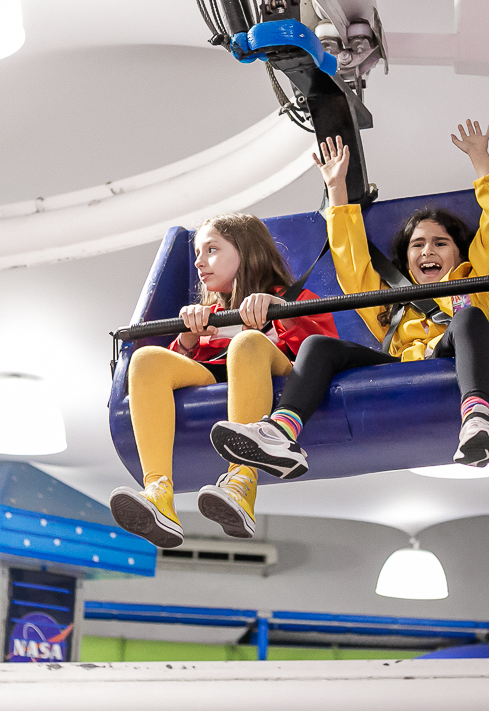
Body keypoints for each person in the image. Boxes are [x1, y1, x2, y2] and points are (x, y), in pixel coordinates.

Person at [210, 120, 489, 478]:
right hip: (400, 365)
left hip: (452, 354)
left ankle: (477, 420)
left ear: (459, 253)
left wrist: (481, 158)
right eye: (418, 245)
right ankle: (281, 432)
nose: (427, 251)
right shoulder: (392, 304)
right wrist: (336, 187)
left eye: (440, 243)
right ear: (407, 260)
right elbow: (351, 263)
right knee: (319, 346)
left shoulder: (474, 281)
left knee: (469, 318)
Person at [109, 213, 338, 548]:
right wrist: (187, 339)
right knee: (145, 360)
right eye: (198, 254)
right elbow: (188, 370)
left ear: (246, 251)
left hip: (275, 369)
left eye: (211, 250)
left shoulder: (295, 299)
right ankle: (158, 491)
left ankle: (241, 481)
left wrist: (279, 308)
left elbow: (321, 351)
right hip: (219, 373)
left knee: (246, 344)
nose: (200, 263)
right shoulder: (208, 314)